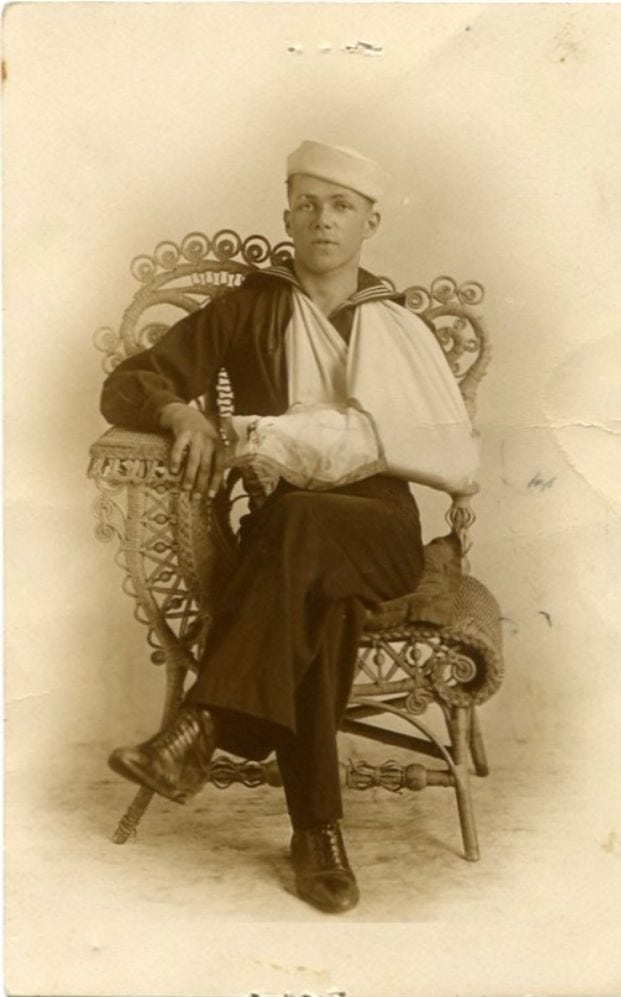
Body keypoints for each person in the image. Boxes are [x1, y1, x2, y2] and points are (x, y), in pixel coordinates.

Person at [101, 140, 478, 914]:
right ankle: (319, 835)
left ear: (370, 221)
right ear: (287, 215)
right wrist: (180, 411)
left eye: (341, 205)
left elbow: (442, 449)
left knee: (307, 531)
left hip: (381, 529)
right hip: (290, 540)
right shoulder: (254, 305)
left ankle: (203, 722)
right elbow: (129, 381)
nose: (323, 220)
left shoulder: (396, 323)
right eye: (307, 203)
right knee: (321, 597)